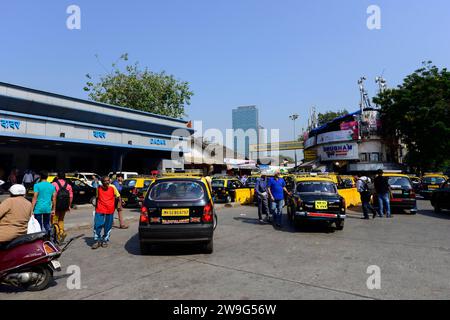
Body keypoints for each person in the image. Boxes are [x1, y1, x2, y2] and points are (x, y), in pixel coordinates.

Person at [92, 176, 123, 249]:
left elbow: (118, 196)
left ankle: (105, 239)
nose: (107, 182)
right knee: (97, 225)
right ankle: (97, 240)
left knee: (108, 225)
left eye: (108, 180)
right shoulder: (98, 188)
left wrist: (119, 205)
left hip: (110, 209)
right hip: (99, 209)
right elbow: (97, 197)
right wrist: (95, 207)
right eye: (105, 181)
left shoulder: (113, 187)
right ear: (102, 182)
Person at [52, 172, 73, 243]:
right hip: (64, 206)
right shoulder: (69, 185)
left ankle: (57, 234)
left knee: (54, 220)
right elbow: (70, 197)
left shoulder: (54, 184)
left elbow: (52, 196)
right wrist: (69, 206)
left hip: (56, 206)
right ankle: (62, 232)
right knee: (61, 219)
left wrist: (52, 206)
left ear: (57, 177)